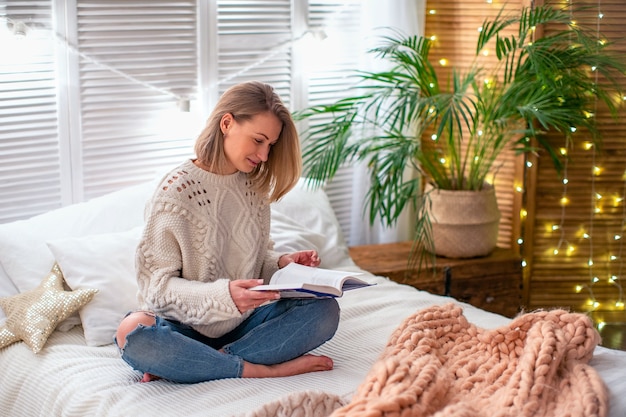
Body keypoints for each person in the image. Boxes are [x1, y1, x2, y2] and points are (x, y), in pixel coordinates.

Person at [115, 81, 340, 383]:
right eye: (258, 140)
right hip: (183, 328)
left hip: (244, 325)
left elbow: (255, 262)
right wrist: (223, 296)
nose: (263, 155)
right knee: (131, 332)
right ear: (227, 123)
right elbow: (157, 290)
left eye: (270, 145)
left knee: (325, 311)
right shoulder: (176, 191)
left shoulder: (254, 188)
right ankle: (259, 368)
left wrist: (281, 264)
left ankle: (200, 364)